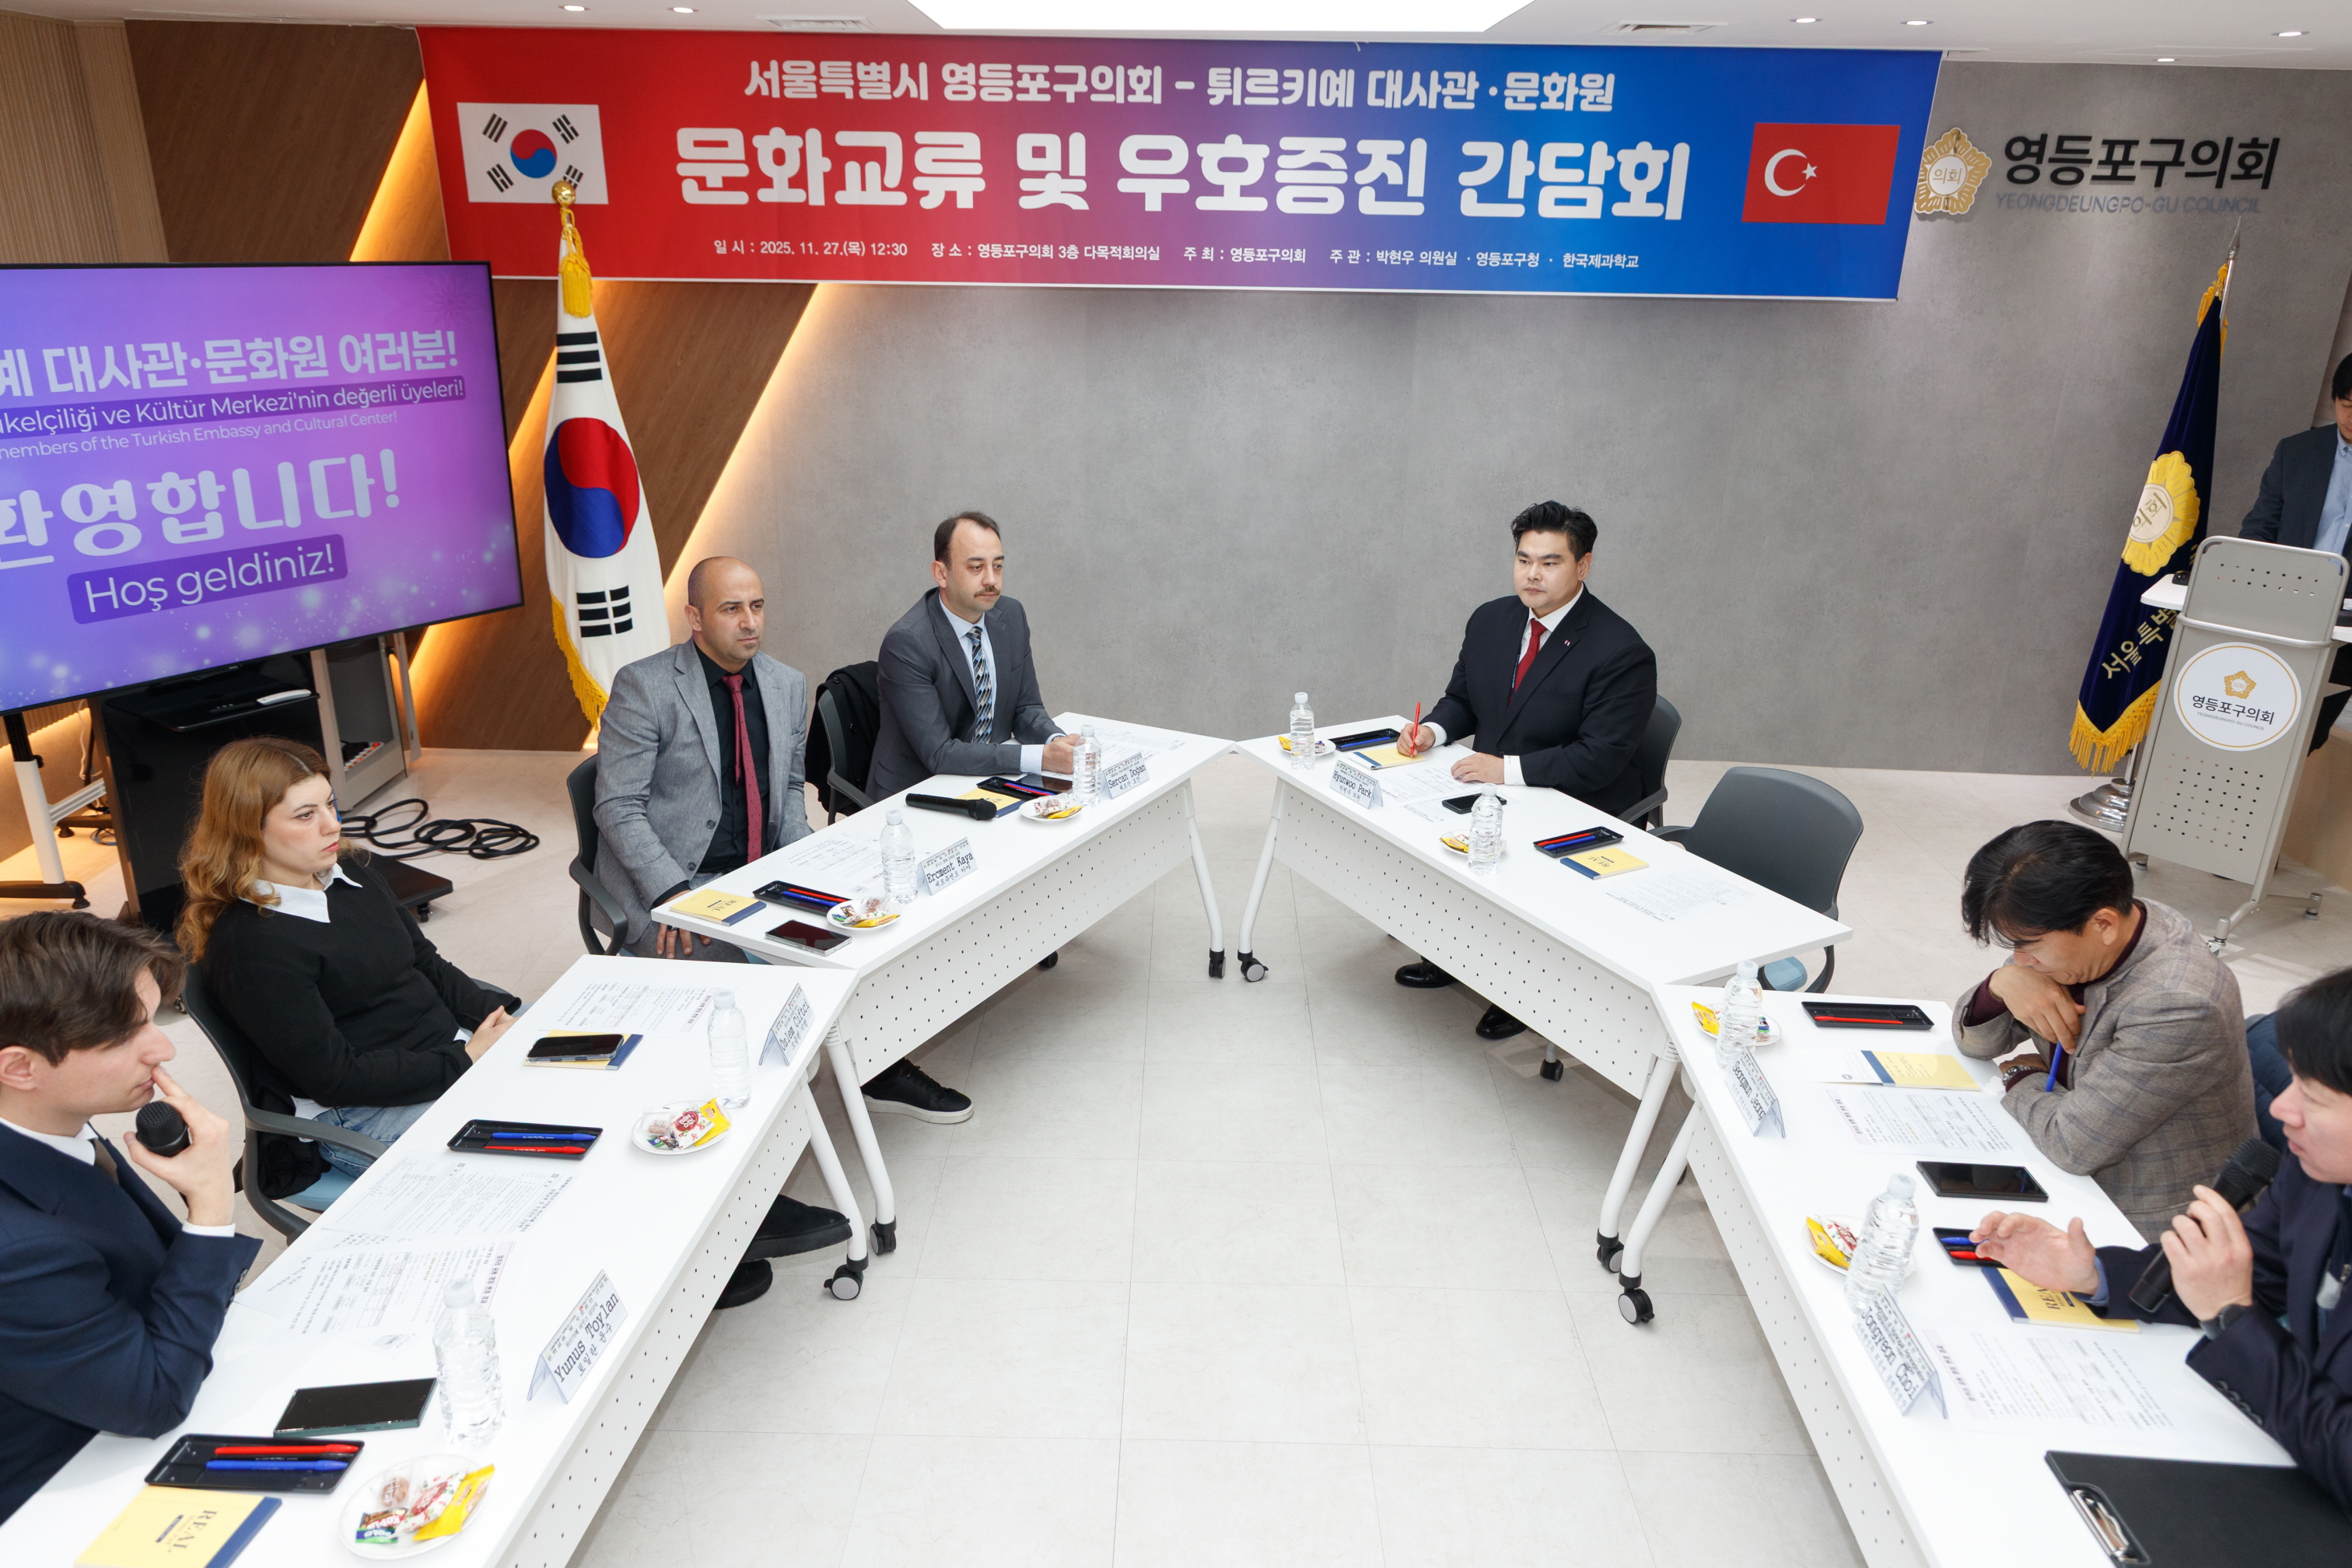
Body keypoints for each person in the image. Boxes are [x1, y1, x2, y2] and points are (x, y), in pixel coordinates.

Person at [1973, 967, 2352, 1508]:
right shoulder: (2317, 1171)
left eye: (2312, 1097)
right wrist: (2096, 1273)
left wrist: (2230, 1317)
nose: (2280, 1109)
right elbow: (2259, 1268)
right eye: (2292, 1081)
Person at [0, 911, 260, 1523]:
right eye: (124, 1035)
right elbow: (155, 1401)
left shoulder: (50, 1119)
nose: (164, 1049)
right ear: (19, 1068)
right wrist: (209, 1206)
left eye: (151, 1019)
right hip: (63, 1489)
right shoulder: (15, 1250)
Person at [183, 737, 521, 1192]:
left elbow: (425, 964)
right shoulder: (251, 946)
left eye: (330, 804)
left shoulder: (353, 874)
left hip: (443, 1055)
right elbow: (335, 1078)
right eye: (305, 815)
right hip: (363, 1110)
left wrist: (498, 1017)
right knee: (533, 1158)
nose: (333, 825)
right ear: (247, 830)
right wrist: (467, 1059)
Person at [1389, 500, 1659, 1041]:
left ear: (1583, 566)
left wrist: (1504, 769)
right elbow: (1463, 699)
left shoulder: (1621, 651)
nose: (1532, 574)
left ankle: (1523, 994)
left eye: (1550, 562)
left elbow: (1599, 758)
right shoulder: (1491, 620)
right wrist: (1433, 732)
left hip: (1579, 801)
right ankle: (1454, 955)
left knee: (1517, 865)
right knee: (1424, 830)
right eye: (1524, 559)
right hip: (1500, 787)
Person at [1952, 819, 2256, 1241]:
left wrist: (2020, 1074)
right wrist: (1999, 987)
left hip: (2147, 1224)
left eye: (2029, 944)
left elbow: (2071, 1144)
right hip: (2062, 1164)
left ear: (2104, 925)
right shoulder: (2088, 932)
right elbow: (1972, 1043)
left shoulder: (2178, 1004)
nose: (2020, 960)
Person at [866, 510, 1077, 800]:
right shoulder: (908, 642)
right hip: (918, 791)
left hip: (989, 778)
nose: (991, 580)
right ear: (941, 573)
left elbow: (1026, 708)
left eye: (998, 566)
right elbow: (939, 754)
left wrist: (1058, 742)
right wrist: (1041, 758)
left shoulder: (1010, 616)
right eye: (976, 567)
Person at [2239, 351, 2352, 750]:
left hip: (2346, 627)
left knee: (2310, 734)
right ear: (2333, 399)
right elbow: (2259, 528)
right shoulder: (2297, 451)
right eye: (2347, 405)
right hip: (2282, 609)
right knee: (2255, 715)